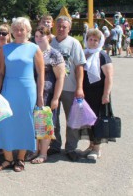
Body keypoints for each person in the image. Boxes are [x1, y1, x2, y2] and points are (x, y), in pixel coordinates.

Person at [0, 17, 44, 172]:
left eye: (22, 29)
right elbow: (0, 72)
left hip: (27, 89)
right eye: (16, 29)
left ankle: (20, 158)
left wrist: (40, 95)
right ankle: (8, 158)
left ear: (28, 31)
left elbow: (41, 74)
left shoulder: (35, 48)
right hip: (9, 88)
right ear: (12, 32)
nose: (19, 32)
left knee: (24, 121)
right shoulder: (5, 49)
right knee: (5, 121)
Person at [49, 16, 86, 161]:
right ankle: (55, 144)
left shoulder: (74, 43)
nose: (61, 29)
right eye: (59, 26)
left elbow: (79, 67)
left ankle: (71, 147)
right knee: (53, 119)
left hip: (70, 87)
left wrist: (80, 87)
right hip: (52, 87)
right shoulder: (50, 42)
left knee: (72, 119)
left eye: (64, 26)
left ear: (69, 28)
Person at [31, 26, 65, 164]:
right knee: (34, 123)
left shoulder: (54, 54)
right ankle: (34, 150)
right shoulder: (32, 52)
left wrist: (56, 98)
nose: (38, 38)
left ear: (48, 36)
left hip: (48, 94)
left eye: (41, 36)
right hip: (32, 93)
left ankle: (43, 153)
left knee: (45, 124)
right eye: (36, 36)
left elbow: (61, 77)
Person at [81, 28, 114, 160]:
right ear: (86, 40)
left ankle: (97, 148)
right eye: (90, 39)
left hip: (99, 94)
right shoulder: (84, 53)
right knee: (89, 120)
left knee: (98, 120)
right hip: (86, 93)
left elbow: (109, 77)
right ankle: (91, 145)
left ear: (100, 42)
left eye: (96, 40)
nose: (93, 42)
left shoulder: (102, 56)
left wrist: (106, 94)